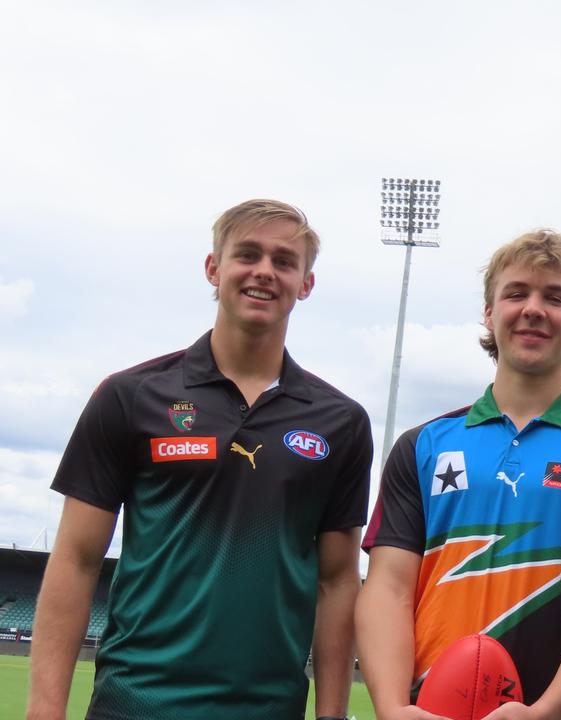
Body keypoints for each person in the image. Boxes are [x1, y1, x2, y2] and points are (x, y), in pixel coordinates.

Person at [27, 199, 373, 720]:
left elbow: (338, 580)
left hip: (268, 709)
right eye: (247, 254)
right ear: (214, 267)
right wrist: (45, 708)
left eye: (284, 261)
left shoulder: (341, 421)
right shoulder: (130, 396)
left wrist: (331, 713)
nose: (264, 271)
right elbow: (76, 561)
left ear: (306, 283)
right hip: (135, 703)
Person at [357, 230, 561, 720]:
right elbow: (388, 590)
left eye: (555, 297)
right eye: (516, 293)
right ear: (489, 311)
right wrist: (394, 709)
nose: (533, 309)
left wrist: (546, 712)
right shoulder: (423, 445)